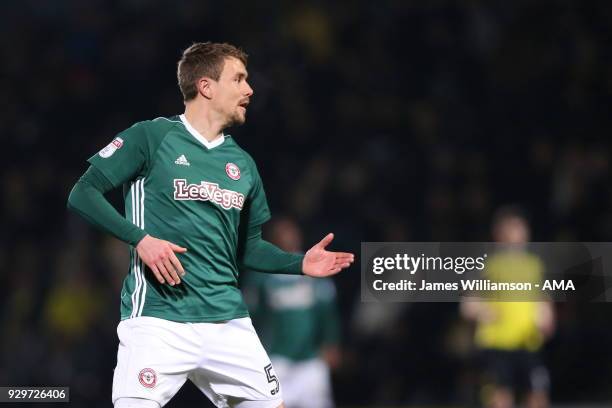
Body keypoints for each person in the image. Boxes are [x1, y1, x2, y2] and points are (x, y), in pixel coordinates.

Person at [67, 42, 354, 408]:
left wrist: (298, 263)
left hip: (228, 322)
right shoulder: (151, 138)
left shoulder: (243, 164)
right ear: (206, 86)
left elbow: (248, 248)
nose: (249, 89)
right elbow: (83, 193)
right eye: (239, 79)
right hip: (159, 320)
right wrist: (140, 240)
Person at [461, 207, 554, 408]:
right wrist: (483, 311)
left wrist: (547, 317)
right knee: (501, 398)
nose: (519, 234)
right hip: (497, 342)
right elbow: (468, 304)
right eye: (512, 229)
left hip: (528, 341)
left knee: (538, 395)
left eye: (521, 229)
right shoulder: (488, 265)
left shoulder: (534, 265)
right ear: (499, 234)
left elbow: (541, 298)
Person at [242, 217, 341, 408]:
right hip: (276, 358)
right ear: (272, 238)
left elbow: (327, 310)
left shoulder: (315, 268)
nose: (289, 237)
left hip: (311, 359)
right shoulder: (261, 273)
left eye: (291, 231)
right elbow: (250, 314)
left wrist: (331, 341)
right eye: (283, 232)